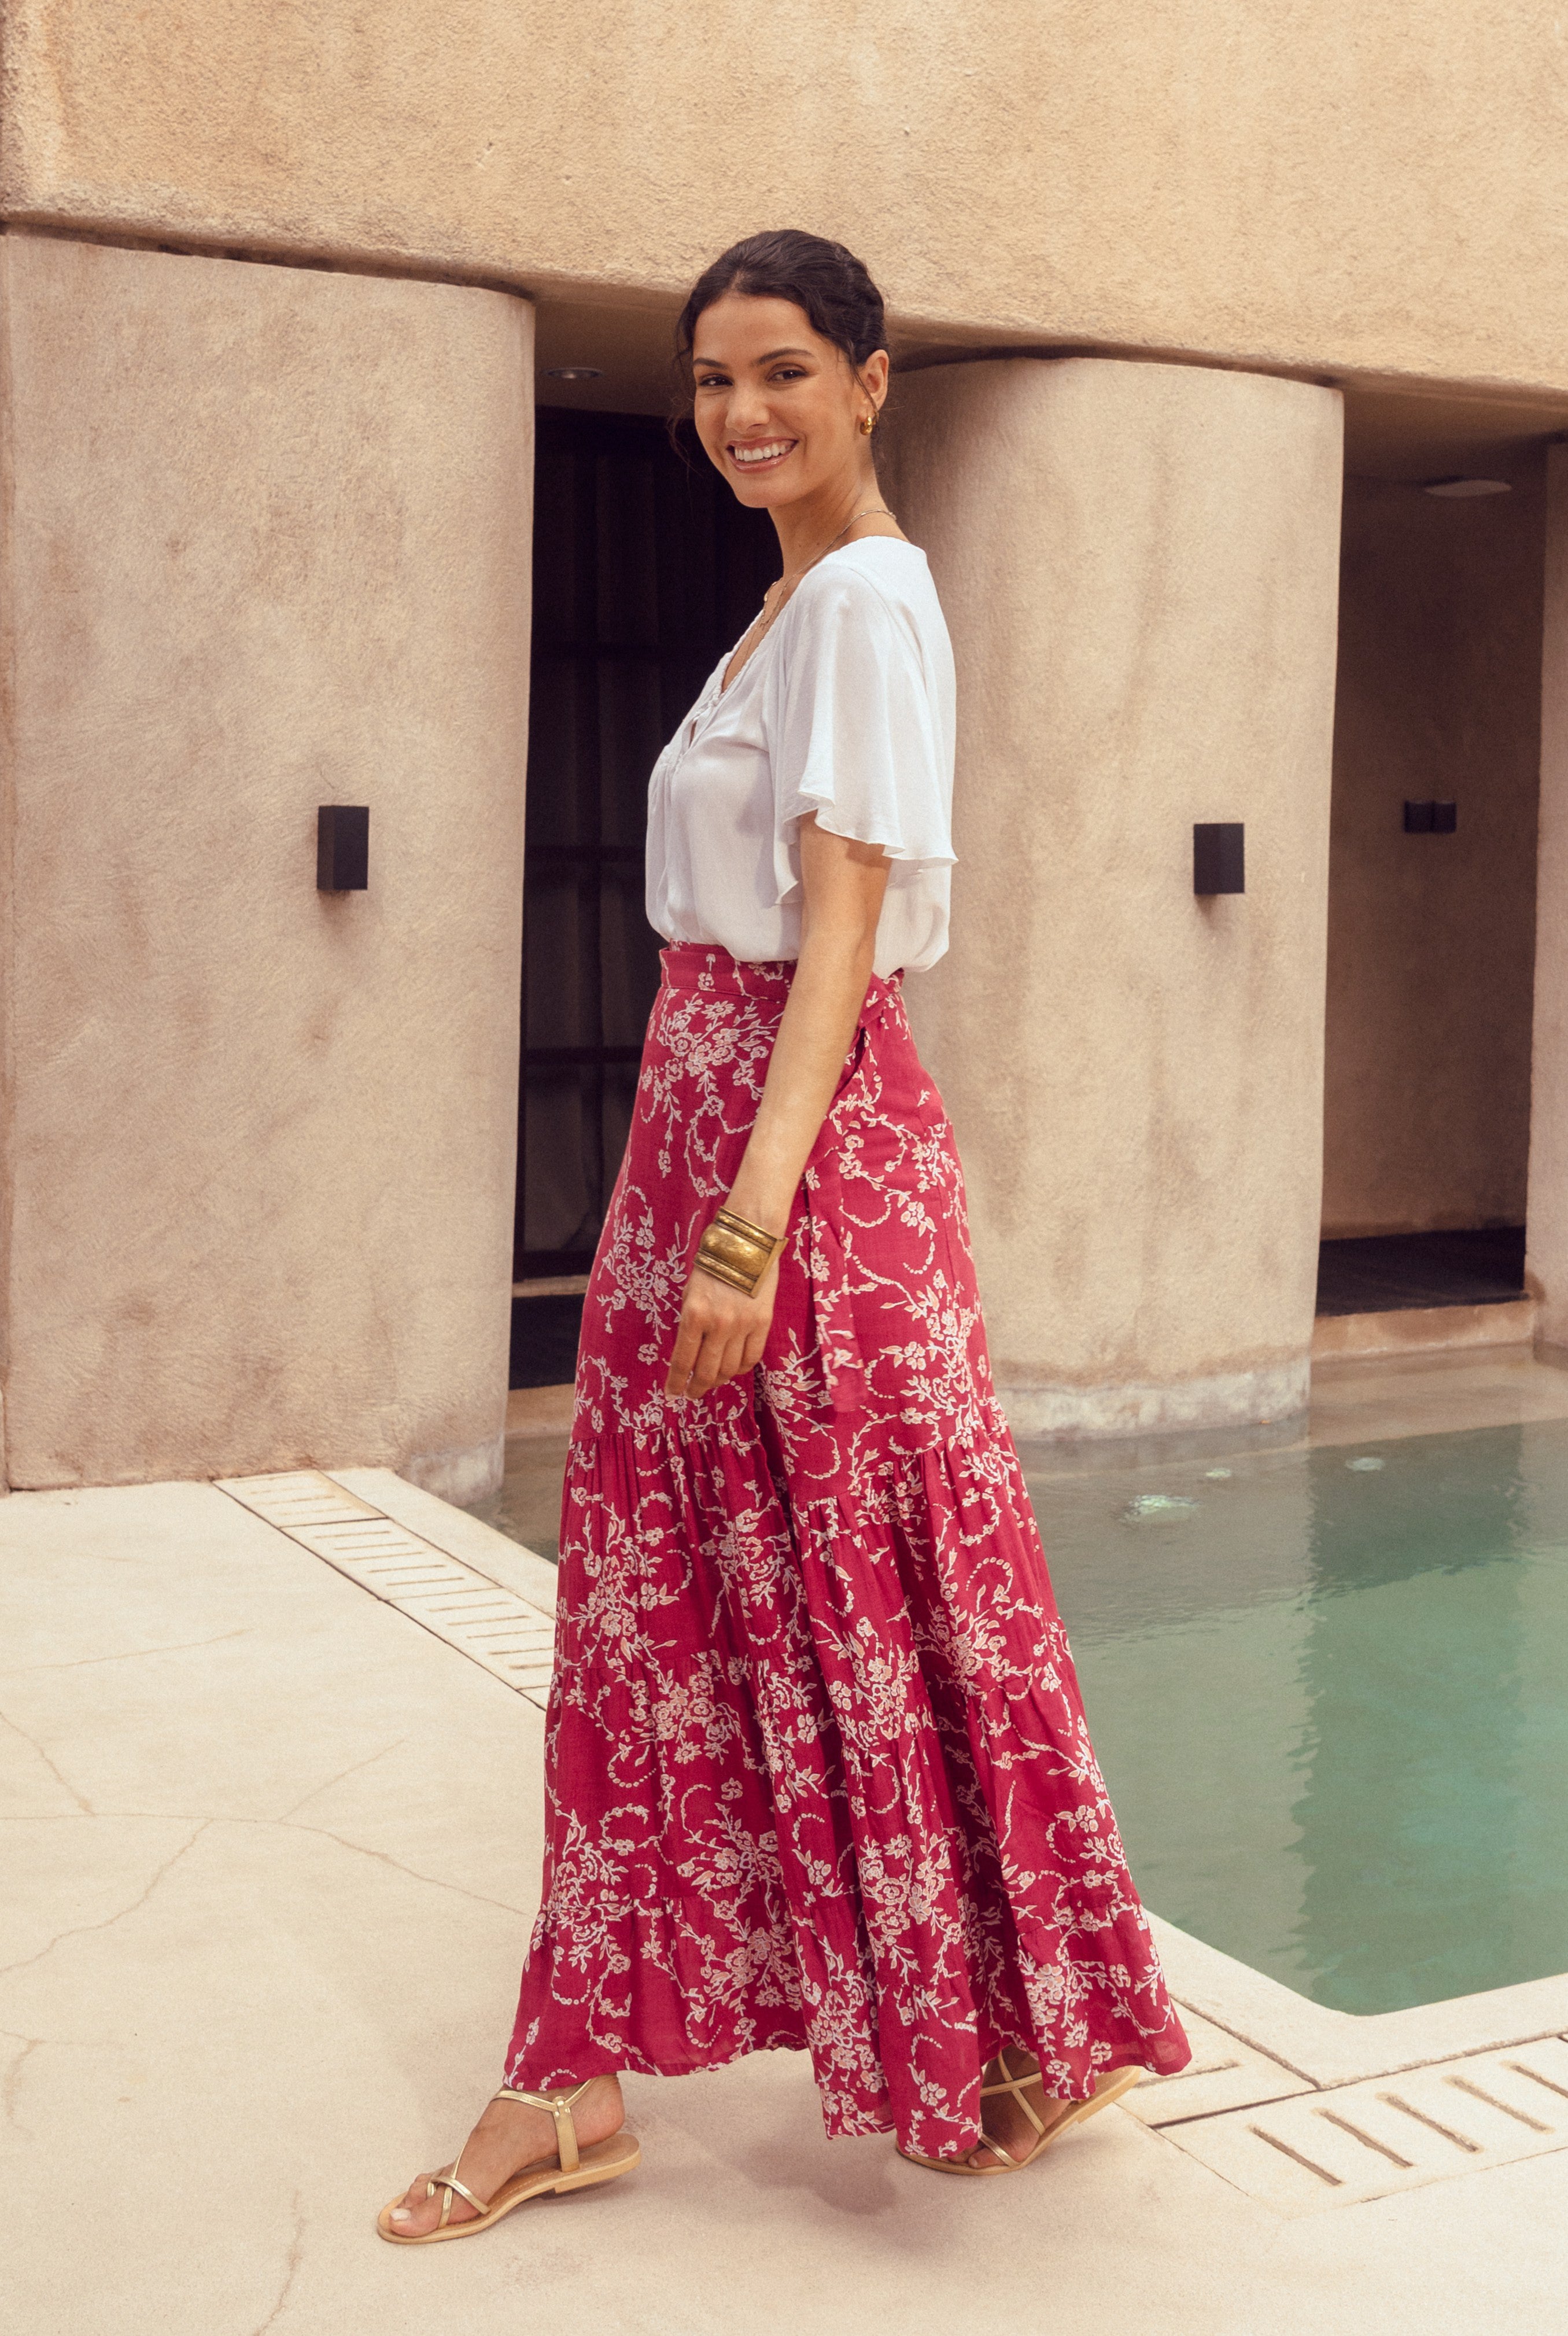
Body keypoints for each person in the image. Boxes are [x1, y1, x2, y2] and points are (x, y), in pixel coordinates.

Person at [380, 228, 1190, 2245]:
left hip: (792, 1161)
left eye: (785, 374)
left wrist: (745, 1234)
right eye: (715, 382)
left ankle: (601, 2078)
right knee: (727, 1607)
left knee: (845, 1587)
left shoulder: (864, 605)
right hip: (726, 1135)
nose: (744, 415)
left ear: (873, 381)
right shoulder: (788, 610)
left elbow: (838, 937)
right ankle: (945, 2038)